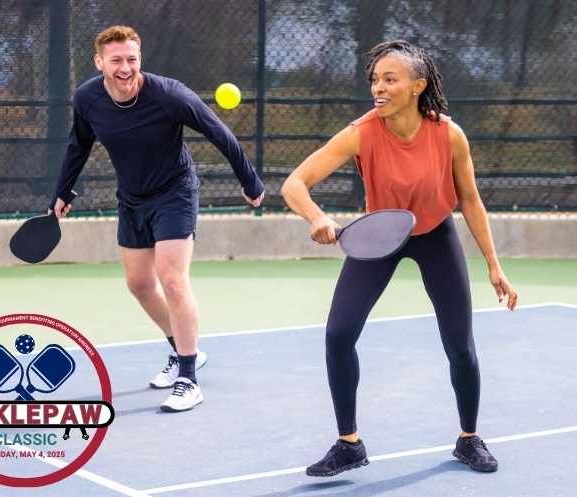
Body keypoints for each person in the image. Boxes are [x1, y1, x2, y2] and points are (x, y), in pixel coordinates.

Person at [281, 40, 517, 476]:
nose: (379, 87)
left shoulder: (448, 134)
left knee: (460, 345)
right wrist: (316, 216)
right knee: (338, 334)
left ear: (417, 86)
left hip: (435, 235)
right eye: (375, 79)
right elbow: (294, 183)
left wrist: (494, 264)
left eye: (390, 79)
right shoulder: (360, 132)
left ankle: (469, 438)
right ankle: (348, 444)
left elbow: (470, 201)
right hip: (381, 235)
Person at [51, 25, 264, 412]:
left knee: (172, 278)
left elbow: (219, 132)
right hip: (132, 198)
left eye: (131, 59)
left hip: (175, 193)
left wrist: (249, 181)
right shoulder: (88, 98)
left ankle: (188, 379)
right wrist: (62, 191)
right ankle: (185, 352)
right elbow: (78, 143)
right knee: (138, 283)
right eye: (116, 60)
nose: (125, 67)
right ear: (99, 62)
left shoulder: (169, 95)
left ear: (140, 60)